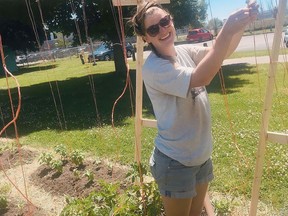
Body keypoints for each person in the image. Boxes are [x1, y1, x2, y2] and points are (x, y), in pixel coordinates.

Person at [131, 1, 258, 216]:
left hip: (200, 156)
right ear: (145, 38)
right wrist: (226, 30)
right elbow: (202, 77)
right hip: (175, 161)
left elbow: (221, 52)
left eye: (164, 21)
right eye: (153, 29)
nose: (162, 29)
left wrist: (241, 25)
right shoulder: (153, 67)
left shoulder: (183, 50)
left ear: (171, 19)